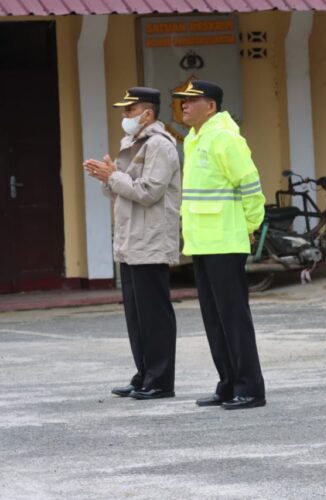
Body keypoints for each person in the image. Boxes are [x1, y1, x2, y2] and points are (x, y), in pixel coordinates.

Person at [172, 80, 267, 410]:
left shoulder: (225, 137)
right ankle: (228, 383)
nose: (183, 105)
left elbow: (250, 185)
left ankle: (250, 388)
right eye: (181, 101)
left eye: (190, 100)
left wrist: (251, 226)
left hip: (226, 242)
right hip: (202, 243)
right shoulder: (195, 139)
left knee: (233, 317)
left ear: (210, 106)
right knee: (214, 318)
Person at [84, 87, 181, 400]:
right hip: (130, 239)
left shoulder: (160, 145)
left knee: (154, 314)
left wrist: (113, 177)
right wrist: (108, 177)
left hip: (150, 239)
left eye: (130, 110)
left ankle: (161, 381)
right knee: (136, 316)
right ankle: (143, 375)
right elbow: (121, 190)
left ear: (147, 114)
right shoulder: (132, 143)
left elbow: (148, 191)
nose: (124, 117)